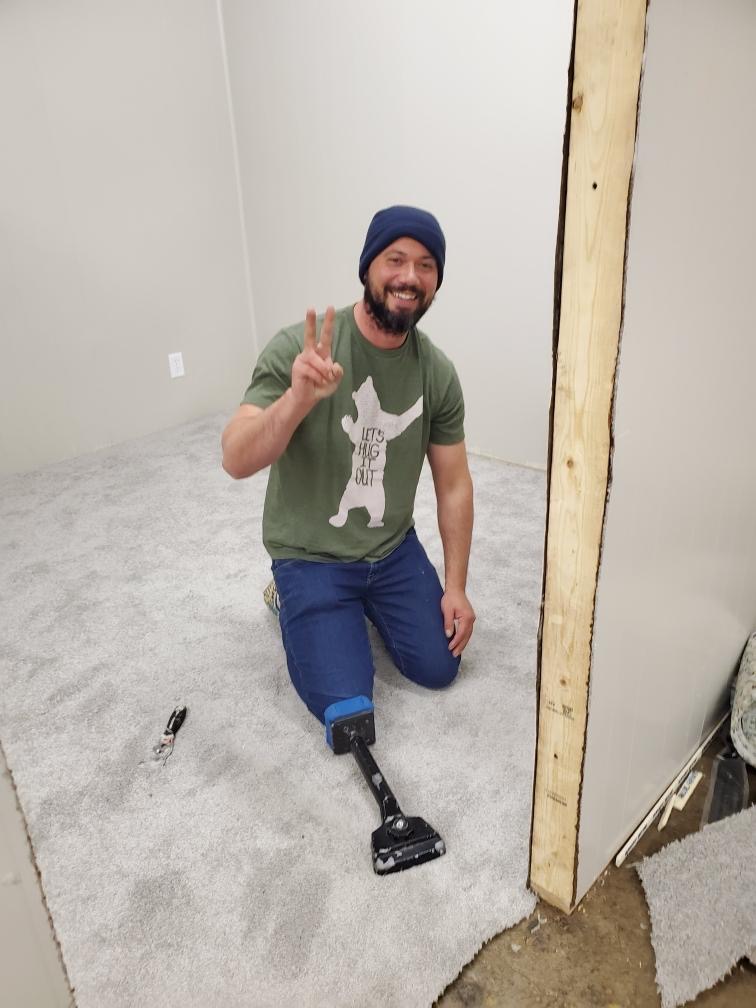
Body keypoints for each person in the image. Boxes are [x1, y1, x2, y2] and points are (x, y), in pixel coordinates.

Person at [221, 205, 475, 723]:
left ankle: (366, 602)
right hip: (311, 554)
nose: (409, 277)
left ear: (436, 281)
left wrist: (455, 587)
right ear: (367, 268)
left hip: (390, 547)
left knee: (439, 666)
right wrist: (297, 399)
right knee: (345, 704)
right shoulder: (301, 349)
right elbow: (235, 458)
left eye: (426, 265)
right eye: (395, 260)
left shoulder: (436, 371)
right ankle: (288, 595)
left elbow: (453, 485)